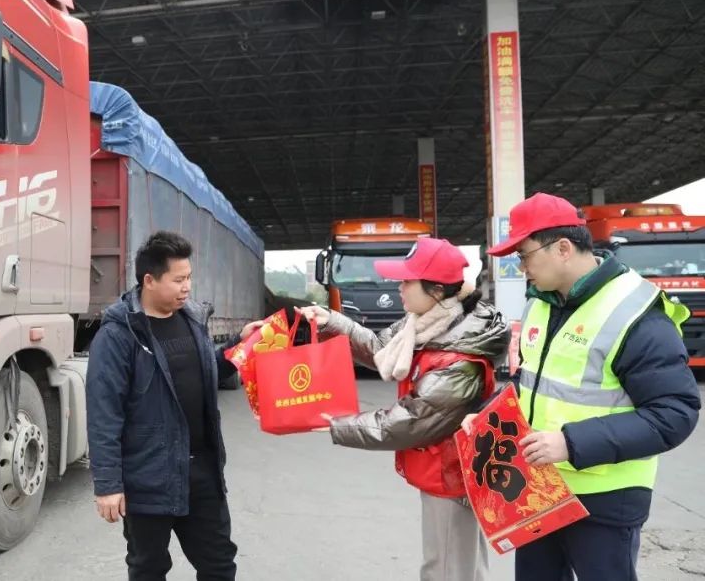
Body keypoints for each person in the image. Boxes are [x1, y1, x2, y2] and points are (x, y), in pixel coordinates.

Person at [463, 192, 700, 581]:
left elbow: (674, 414)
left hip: (605, 499)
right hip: (540, 489)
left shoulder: (635, 313)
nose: (521, 267)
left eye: (524, 255)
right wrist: (486, 415)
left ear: (562, 248)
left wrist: (570, 443)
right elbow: (531, 380)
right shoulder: (541, 303)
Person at [299, 237, 510, 581]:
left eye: (408, 281)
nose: (398, 287)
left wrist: (341, 425)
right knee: (462, 566)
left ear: (437, 290)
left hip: (450, 476)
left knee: (445, 569)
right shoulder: (426, 324)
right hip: (445, 469)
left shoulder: (458, 359)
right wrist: (332, 321)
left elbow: (413, 420)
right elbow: (381, 348)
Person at [87, 231, 263, 581]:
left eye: (189, 278)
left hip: (202, 474)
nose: (187, 287)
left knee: (219, 566)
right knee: (148, 569)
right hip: (148, 479)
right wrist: (108, 485)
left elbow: (205, 374)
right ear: (149, 280)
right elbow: (104, 413)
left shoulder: (192, 320)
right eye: (178, 280)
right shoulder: (120, 335)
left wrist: (239, 346)